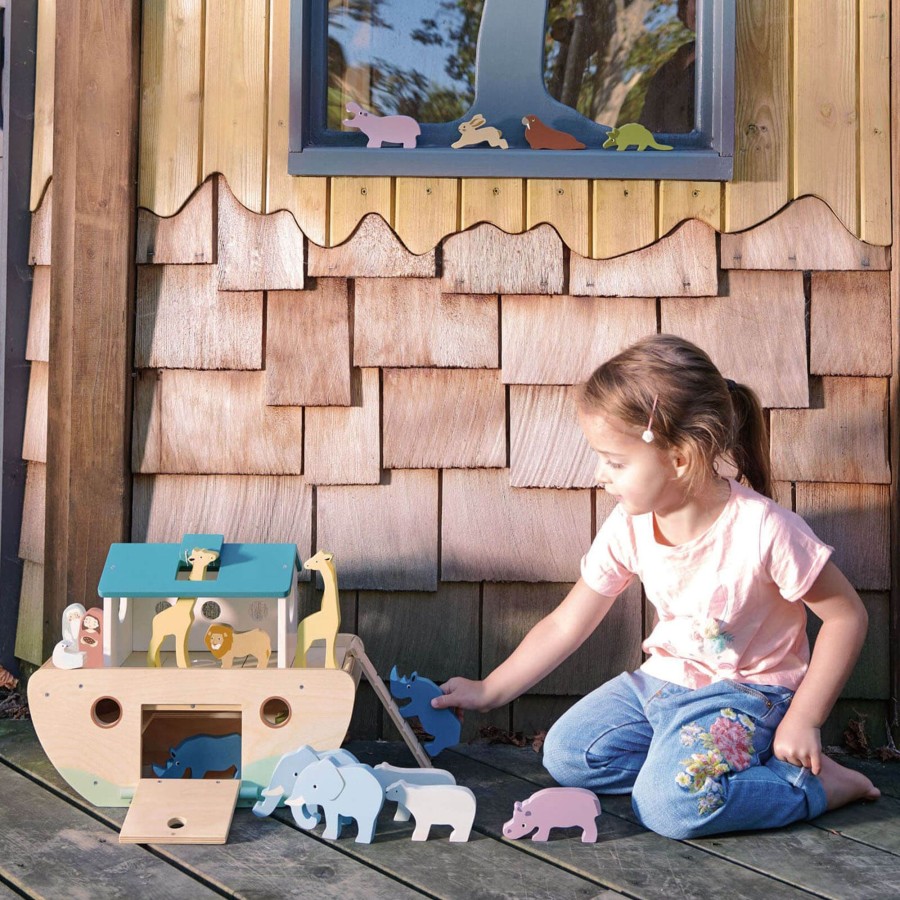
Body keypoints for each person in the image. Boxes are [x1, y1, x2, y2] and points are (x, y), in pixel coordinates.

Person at [432, 334, 880, 839]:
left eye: (616, 462)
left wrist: (805, 719)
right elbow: (568, 620)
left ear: (680, 458)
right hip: (662, 683)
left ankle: (812, 786)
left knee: (669, 809)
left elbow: (847, 616)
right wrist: (492, 689)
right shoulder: (630, 525)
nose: (601, 475)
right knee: (568, 755)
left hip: (747, 694)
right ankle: (687, 767)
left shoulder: (765, 530)